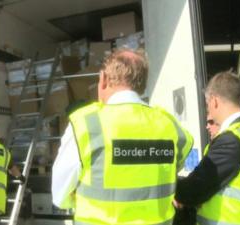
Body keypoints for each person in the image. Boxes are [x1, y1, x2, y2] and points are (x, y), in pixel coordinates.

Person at [52, 48, 194, 225]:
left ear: (103, 78)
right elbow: (178, 160)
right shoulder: (169, 125)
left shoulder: (85, 124)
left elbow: (59, 195)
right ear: (142, 84)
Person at [175, 71, 240, 224]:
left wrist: (166, 184)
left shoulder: (231, 140)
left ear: (214, 101)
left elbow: (194, 190)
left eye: (207, 103)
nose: (208, 109)